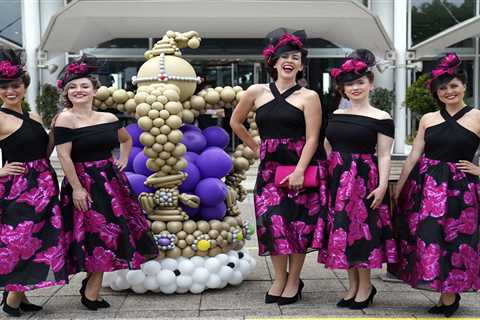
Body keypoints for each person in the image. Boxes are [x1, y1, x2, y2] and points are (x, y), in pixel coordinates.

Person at [230, 28, 327, 306]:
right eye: (284, 56)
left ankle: (293, 279)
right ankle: (279, 278)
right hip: (270, 170)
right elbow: (235, 123)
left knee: (297, 226)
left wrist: (299, 170)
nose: (290, 61)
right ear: (272, 61)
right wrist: (256, 147)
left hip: (301, 168)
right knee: (273, 224)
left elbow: (312, 137)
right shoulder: (256, 91)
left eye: (295, 57)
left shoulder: (309, 97)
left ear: (300, 64)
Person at [54, 56, 158, 311]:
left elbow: (126, 140)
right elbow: (64, 156)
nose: (79, 91)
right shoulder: (65, 119)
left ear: (94, 90)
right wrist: (77, 188)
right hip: (83, 183)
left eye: (84, 86)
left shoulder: (109, 118)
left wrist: (122, 160)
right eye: (73, 88)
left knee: (111, 233)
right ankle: (91, 290)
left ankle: (92, 286)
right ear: (67, 93)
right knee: (93, 235)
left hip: (111, 183)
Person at [392, 52, 480, 317]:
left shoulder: (477, 116)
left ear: (464, 86)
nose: (449, 91)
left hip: (461, 190)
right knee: (430, 239)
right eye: (442, 88)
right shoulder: (428, 119)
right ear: (436, 93)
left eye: (453, 85)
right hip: (427, 188)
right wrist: (400, 187)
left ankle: (449, 295)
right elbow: (413, 155)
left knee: (456, 241)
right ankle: (445, 292)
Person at [319, 49, 397, 309]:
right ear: (343, 88)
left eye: (360, 82)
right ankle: (352, 286)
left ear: (370, 84)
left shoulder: (381, 117)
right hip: (338, 180)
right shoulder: (337, 115)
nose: (355, 87)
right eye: (350, 83)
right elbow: (327, 144)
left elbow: (384, 155)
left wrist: (382, 185)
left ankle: (366, 287)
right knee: (342, 232)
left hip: (364, 180)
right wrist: (334, 171)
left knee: (361, 234)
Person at [0, 48, 68, 316]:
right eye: (4, 87)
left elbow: (43, 153)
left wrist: (54, 130)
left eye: (15, 85)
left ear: (24, 86)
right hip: (18, 190)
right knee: (21, 240)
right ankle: (12, 299)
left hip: (43, 185)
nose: (10, 91)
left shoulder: (33, 117)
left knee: (40, 239)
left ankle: (22, 295)